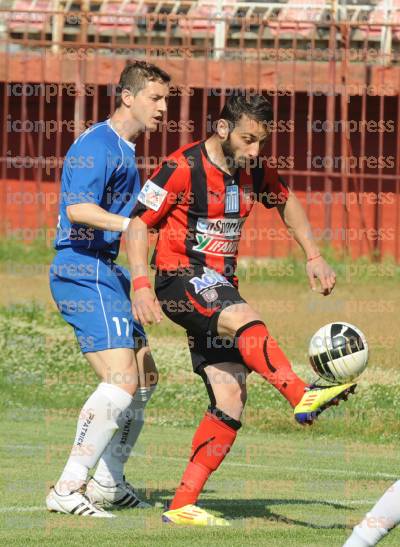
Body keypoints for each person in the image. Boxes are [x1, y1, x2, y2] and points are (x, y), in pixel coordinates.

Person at [125, 91, 357, 526]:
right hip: (179, 278)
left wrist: (313, 254)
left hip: (218, 287)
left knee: (231, 395)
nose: (254, 151)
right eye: (248, 140)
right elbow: (139, 224)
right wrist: (140, 284)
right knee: (242, 316)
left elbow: (286, 201)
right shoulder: (180, 167)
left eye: (261, 143)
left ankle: (182, 505)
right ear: (223, 128)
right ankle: (300, 394)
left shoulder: (254, 169)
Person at [47, 61, 170, 517]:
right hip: (82, 268)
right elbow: (78, 209)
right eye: (155, 98)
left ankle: (108, 482)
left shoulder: (124, 149)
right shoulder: (99, 144)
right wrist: (131, 225)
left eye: (165, 100)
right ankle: (67, 487)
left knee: (145, 378)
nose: (163, 108)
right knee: (120, 384)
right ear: (127, 96)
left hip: (106, 271)